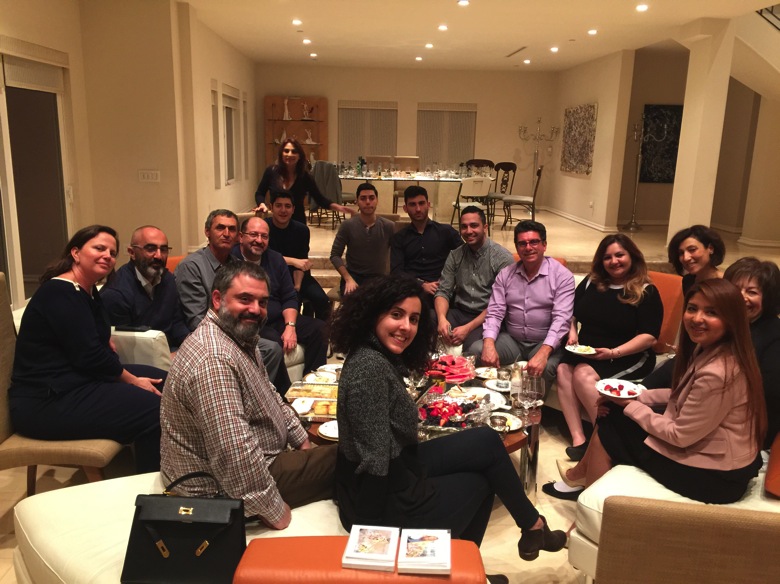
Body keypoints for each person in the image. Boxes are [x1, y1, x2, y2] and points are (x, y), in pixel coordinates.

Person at [331, 275, 566, 565]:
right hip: (382, 495)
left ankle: (533, 527)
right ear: (373, 313)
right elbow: (375, 461)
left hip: (399, 463)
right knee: (482, 481)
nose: (406, 327)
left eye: (414, 319)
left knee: (486, 440)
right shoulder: (369, 368)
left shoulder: (376, 354)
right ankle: (466, 570)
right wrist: (372, 536)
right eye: (396, 314)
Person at [547, 279, 766, 505]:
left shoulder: (718, 372)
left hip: (716, 475)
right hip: (708, 449)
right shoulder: (711, 348)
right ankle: (582, 477)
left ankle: (586, 499)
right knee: (612, 411)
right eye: (692, 308)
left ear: (731, 319)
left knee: (611, 426)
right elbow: (682, 395)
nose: (697, 318)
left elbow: (679, 435)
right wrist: (632, 397)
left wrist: (631, 405)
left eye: (711, 312)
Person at [161, 262, 336, 527]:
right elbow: (233, 454)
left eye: (262, 302)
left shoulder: (236, 336)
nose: (255, 309)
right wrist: (274, 511)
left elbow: (270, 394)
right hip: (220, 486)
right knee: (346, 457)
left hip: (255, 461)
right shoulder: (214, 359)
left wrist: (301, 439)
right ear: (217, 299)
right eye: (245, 299)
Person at [9, 225, 165, 473]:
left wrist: (105, 345)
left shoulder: (87, 290)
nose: (107, 256)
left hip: (77, 381)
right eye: (99, 248)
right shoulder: (59, 292)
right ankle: (152, 487)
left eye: (112, 253)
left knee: (166, 381)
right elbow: (91, 356)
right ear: (76, 253)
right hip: (45, 401)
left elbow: (97, 341)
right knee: (154, 410)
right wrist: (133, 381)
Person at [557, 234, 663, 461]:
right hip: (589, 350)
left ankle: (604, 440)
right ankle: (579, 440)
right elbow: (571, 313)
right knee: (563, 370)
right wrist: (572, 332)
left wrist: (613, 353)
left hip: (627, 355)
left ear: (632, 257)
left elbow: (649, 337)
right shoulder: (591, 282)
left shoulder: (646, 291)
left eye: (619, 255)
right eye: (607, 257)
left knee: (582, 374)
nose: (614, 261)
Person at [174, 209, 287, 392]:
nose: (226, 234)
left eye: (232, 229)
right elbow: (196, 320)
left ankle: (273, 396)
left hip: (235, 328)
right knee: (270, 349)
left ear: (238, 236)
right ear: (207, 232)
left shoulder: (236, 264)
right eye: (220, 228)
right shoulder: (192, 266)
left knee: (272, 344)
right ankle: (256, 396)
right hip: (207, 337)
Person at [473, 220, 575, 383]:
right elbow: (495, 313)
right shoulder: (505, 275)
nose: (528, 248)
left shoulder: (562, 276)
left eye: (534, 242)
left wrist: (544, 352)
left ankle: (531, 401)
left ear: (544, 245)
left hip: (544, 340)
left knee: (547, 367)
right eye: (522, 243)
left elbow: (561, 319)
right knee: (476, 351)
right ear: (517, 247)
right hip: (512, 340)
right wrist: (489, 344)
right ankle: (490, 398)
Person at [233, 216, 327, 379]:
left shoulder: (276, 259)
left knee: (320, 329)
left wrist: (290, 326)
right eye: (253, 234)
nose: (259, 240)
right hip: (252, 322)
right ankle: (279, 391)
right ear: (241, 237)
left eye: (264, 236)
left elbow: (289, 296)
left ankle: (312, 381)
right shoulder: (231, 260)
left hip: (279, 319)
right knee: (274, 343)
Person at [643, 224, 726, 389]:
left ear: (710, 248)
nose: (686, 258)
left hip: (718, 357)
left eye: (692, 250)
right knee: (645, 387)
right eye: (681, 253)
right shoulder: (688, 281)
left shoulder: (726, 283)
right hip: (690, 353)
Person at [434, 206, 514, 353]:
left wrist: (468, 328)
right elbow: (443, 291)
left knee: (472, 350)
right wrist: (441, 319)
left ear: (485, 227)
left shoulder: (502, 258)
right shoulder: (455, 255)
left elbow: (499, 304)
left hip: (486, 317)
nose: (468, 231)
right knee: (427, 319)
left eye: (474, 225)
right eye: (464, 227)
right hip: (459, 312)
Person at [101, 225, 189, 351]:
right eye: (150, 249)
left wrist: (191, 349)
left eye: (163, 249)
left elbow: (177, 323)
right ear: (132, 253)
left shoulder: (168, 280)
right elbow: (124, 348)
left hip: (172, 350)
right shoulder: (116, 293)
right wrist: (169, 357)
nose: (158, 256)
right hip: (141, 357)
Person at [723, 257, 780, 449]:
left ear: (768, 298)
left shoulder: (775, 335)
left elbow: (769, 394)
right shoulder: (726, 323)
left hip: (748, 430)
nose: (741, 297)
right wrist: (644, 388)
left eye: (752, 292)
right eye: (735, 289)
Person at [265, 190, 331, 320]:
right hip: (273, 276)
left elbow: (301, 261)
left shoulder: (302, 230)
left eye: (287, 206)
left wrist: (297, 287)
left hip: (298, 275)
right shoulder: (264, 227)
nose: (283, 210)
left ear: (293, 209)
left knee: (322, 300)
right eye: (278, 205)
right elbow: (267, 256)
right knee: (292, 305)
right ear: (271, 207)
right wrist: (293, 261)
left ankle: (321, 329)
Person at [254, 138, 353, 225]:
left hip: (297, 223)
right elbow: (259, 193)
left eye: (294, 151)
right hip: (275, 222)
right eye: (286, 151)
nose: (289, 154)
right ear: (281, 153)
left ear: (299, 156)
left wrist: (339, 208)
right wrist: (262, 204)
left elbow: (320, 199)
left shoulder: (305, 177)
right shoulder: (271, 172)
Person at [390, 185, 462, 297]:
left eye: (421, 203)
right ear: (405, 208)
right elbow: (396, 272)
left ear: (428, 205)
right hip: (411, 290)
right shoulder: (399, 237)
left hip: (443, 289)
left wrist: (449, 281)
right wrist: (421, 285)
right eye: (412, 204)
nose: (418, 209)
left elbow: (464, 258)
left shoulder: (446, 232)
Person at [330, 182, 395, 296]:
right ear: (357, 202)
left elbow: (398, 253)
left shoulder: (388, 226)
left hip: (378, 278)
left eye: (371, 198)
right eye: (363, 198)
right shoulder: (347, 226)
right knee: (354, 300)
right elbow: (335, 255)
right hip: (353, 277)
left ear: (377, 200)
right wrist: (348, 279)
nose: (368, 202)